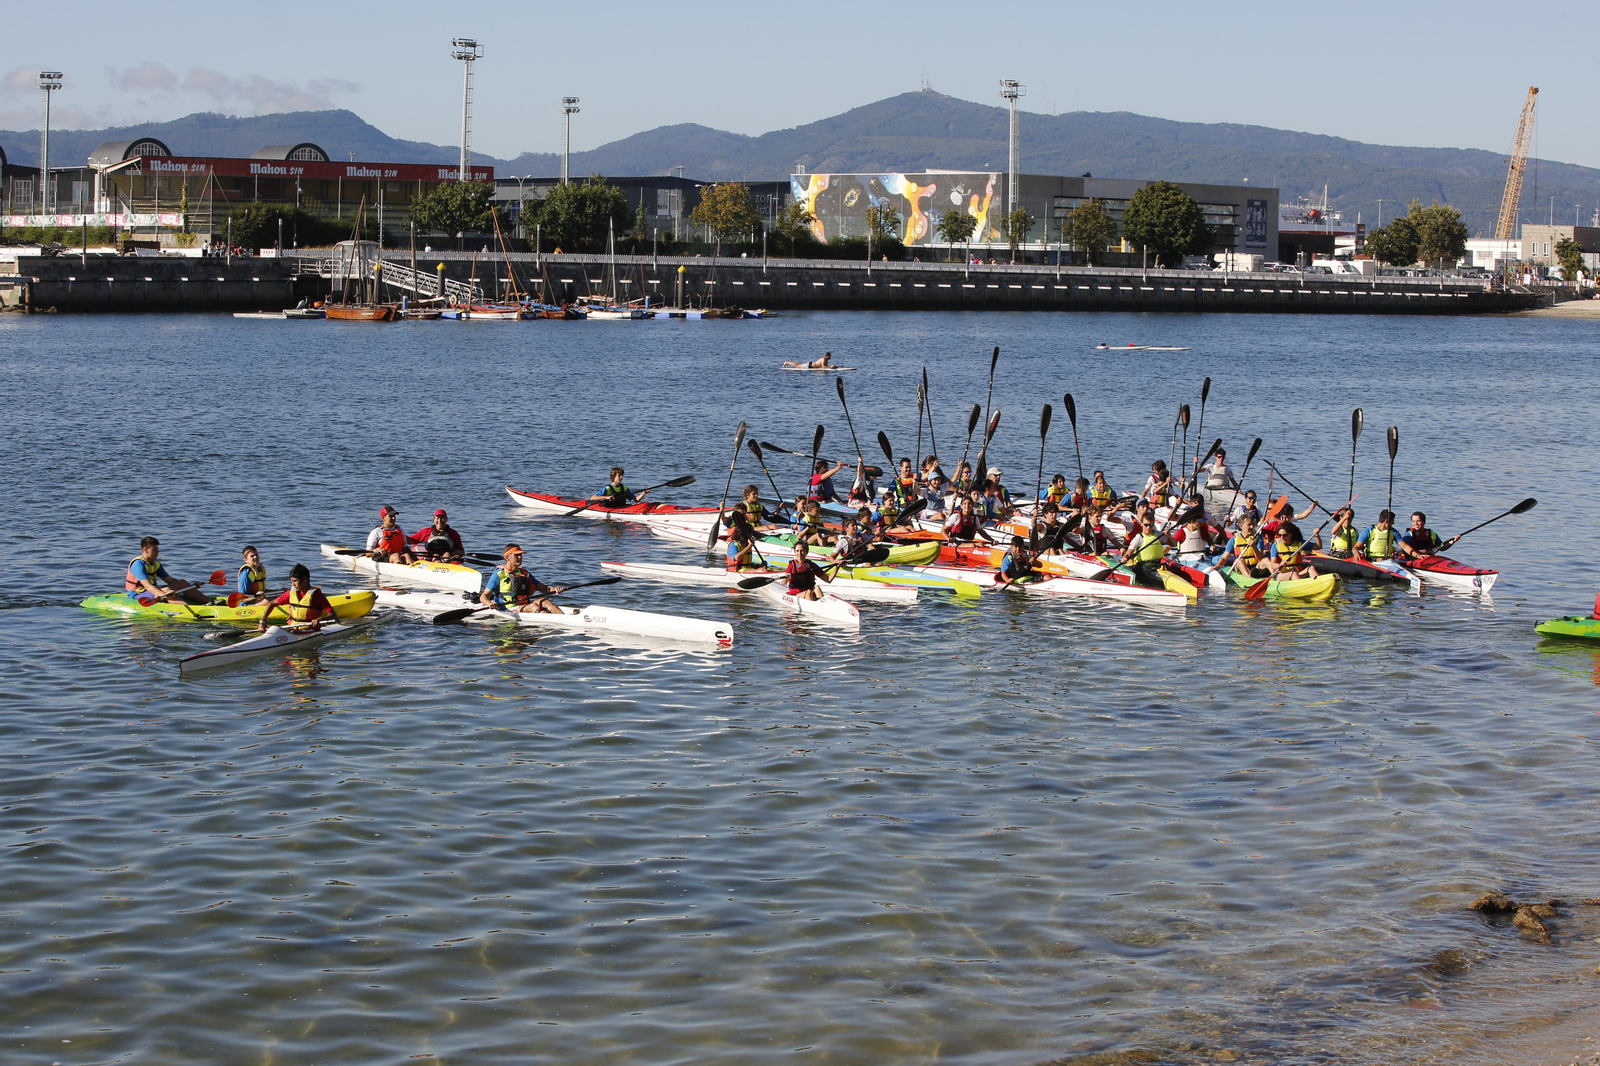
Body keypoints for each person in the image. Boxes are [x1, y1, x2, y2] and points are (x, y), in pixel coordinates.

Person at [479, 544, 566, 614]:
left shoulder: (524, 573)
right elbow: (484, 596)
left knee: (545, 601)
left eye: (520, 555)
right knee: (534, 607)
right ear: (507, 557)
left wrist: (555, 589)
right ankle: (555, 621)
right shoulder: (499, 574)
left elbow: (544, 589)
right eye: (516, 555)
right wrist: (489, 603)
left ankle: (565, 619)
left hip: (524, 605)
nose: (520, 557)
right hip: (508, 608)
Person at [256, 563, 338, 631]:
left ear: (304, 579)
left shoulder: (317, 595)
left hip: (309, 631)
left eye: (295, 581)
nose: (293, 584)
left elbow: (333, 615)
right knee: (273, 629)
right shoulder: (290, 594)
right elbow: (271, 603)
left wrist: (320, 619)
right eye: (292, 581)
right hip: (291, 629)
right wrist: (262, 622)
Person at [125, 536, 204, 603]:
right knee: (167, 590)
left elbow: (170, 580)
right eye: (154, 549)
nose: (158, 551)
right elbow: (148, 586)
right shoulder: (138, 564)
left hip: (151, 592)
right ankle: (188, 609)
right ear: (146, 550)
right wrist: (164, 594)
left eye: (158, 548)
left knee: (182, 583)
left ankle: (210, 602)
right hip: (138, 595)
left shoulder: (156, 563)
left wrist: (190, 586)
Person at [1121, 514, 1169, 586]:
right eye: (1146, 525)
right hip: (1144, 568)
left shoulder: (1158, 535)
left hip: (1158, 565)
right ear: (1142, 524)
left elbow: (1173, 544)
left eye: (1151, 525)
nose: (1148, 527)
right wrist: (1125, 558)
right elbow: (1129, 553)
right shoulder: (1138, 538)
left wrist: (1169, 535)